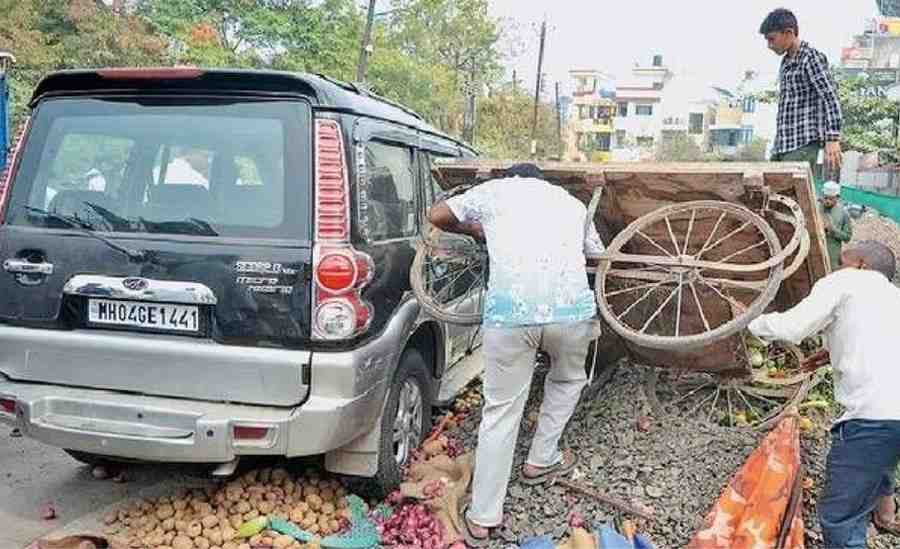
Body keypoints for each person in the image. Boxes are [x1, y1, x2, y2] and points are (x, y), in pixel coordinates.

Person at [427, 163, 603, 546]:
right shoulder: (572, 203)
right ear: (543, 182)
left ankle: (483, 518)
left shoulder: (493, 192)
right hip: (569, 313)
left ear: (510, 176)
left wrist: (476, 229)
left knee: (501, 410)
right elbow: (597, 255)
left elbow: (436, 215)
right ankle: (541, 458)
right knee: (568, 378)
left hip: (510, 315)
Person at [747, 241, 900, 548]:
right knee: (879, 466)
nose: (837, 268)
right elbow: (876, 341)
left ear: (860, 265)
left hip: (872, 419)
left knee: (840, 516)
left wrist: (748, 323)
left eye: (842, 262)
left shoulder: (848, 280)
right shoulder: (893, 298)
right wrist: (830, 351)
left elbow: (792, 328)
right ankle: (885, 514)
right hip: (892, 417)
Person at [760, 8, 843, 174]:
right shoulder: (786, 62)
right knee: (768, 191)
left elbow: (830, 98)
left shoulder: (810, 58)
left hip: (802, 143)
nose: (769, 45)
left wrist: (832, 139)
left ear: (789, 33)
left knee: (792, 194)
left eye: (772, 39)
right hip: (783, 144)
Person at [819, 180, 853, 271]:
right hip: (816, 254)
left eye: (831, 199)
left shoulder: (843, 213)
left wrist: (833, 230)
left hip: (832, 259)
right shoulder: (815, 208)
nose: (827, 201)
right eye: (825, 198)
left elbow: (848, 237)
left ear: (837, 197)